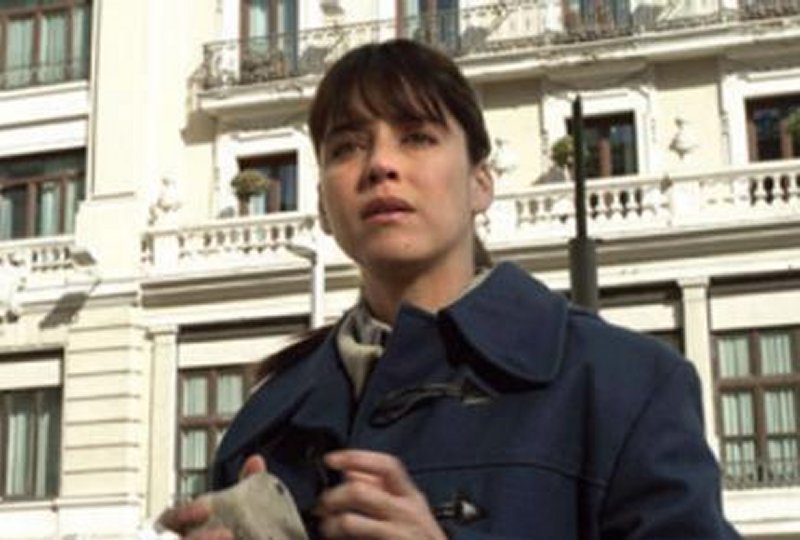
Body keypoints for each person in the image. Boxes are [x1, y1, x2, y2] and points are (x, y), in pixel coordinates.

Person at [159, 39, 740, 539]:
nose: (380, 164)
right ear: (323, 207)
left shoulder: (625, 384)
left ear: (480, 183)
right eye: (346, 147)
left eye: (417, 137)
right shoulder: (267, 422)